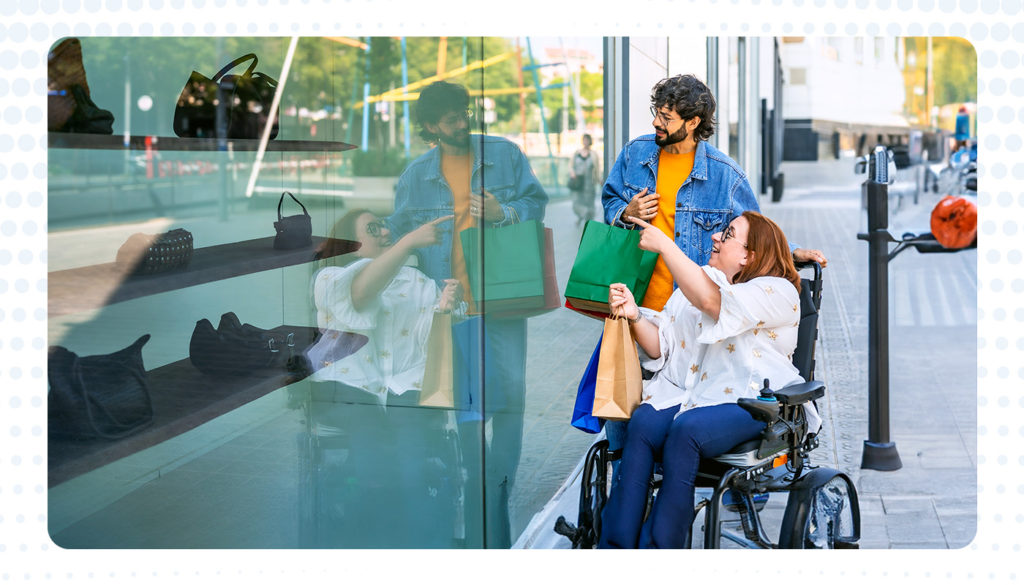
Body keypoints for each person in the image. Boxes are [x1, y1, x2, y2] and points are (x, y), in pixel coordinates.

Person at [600, 73, 826, 457]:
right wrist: (625, 210)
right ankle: (627, 494)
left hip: (683, 312)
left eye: (666, 116)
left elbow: (755, 234)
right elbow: (608, 201)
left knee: (661, 411)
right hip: (633, 303)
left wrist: (793, 251)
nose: (656, 121)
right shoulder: (635, 154)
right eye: (656, 111)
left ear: (692, 123)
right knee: (621, 409)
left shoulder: (725, 176)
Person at [383, 80, 548, 548]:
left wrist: (503, 212)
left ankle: (497, 494)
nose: (463, 120)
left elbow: (536, 204)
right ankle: (474, 500)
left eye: (465, 110)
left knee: (509, 398)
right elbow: (400, 234)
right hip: (448, 308)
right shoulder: (416, 175)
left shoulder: (505, 155)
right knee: (465, 405)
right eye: (452, 116)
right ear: (431, 125)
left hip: (501, 300)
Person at [598, 211, 816, 549]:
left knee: (687, 431)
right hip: (697, 396)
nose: (715, 237)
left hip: (755, 403)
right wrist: (635, 315)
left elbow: (714, 303)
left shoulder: (777, 290)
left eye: (727, 234)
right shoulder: (698, 283)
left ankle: (660, 550)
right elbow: (664, 346)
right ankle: (615, 547)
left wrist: (667, 248)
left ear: (749, 255)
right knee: (643, 422)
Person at [303, 209, 464, 548]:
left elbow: (425, 345)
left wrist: (444, 309)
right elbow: (359, 295)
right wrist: (408, 242)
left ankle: (420, 545)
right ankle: (371, 544)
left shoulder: (417, 281)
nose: (383, 232)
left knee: (411, 464)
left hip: (402, 387)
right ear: (349, 242)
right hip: (347, 388)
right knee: (373, 461)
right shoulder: (331, 277)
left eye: (384, 225)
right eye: (372, 228)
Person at [568, 133, 600, 225]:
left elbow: (597, 169)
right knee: (576, 203)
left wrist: (599, 180)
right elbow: (571, 166)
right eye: (584, 140)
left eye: (587, 140)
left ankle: (588, 222)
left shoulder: (593, 154)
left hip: (589, 184)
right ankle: (582, 215)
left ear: (590, 141)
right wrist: (572, 173)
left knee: (589, 203)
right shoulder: (577, 153)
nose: (585, 142)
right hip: (578, 183)